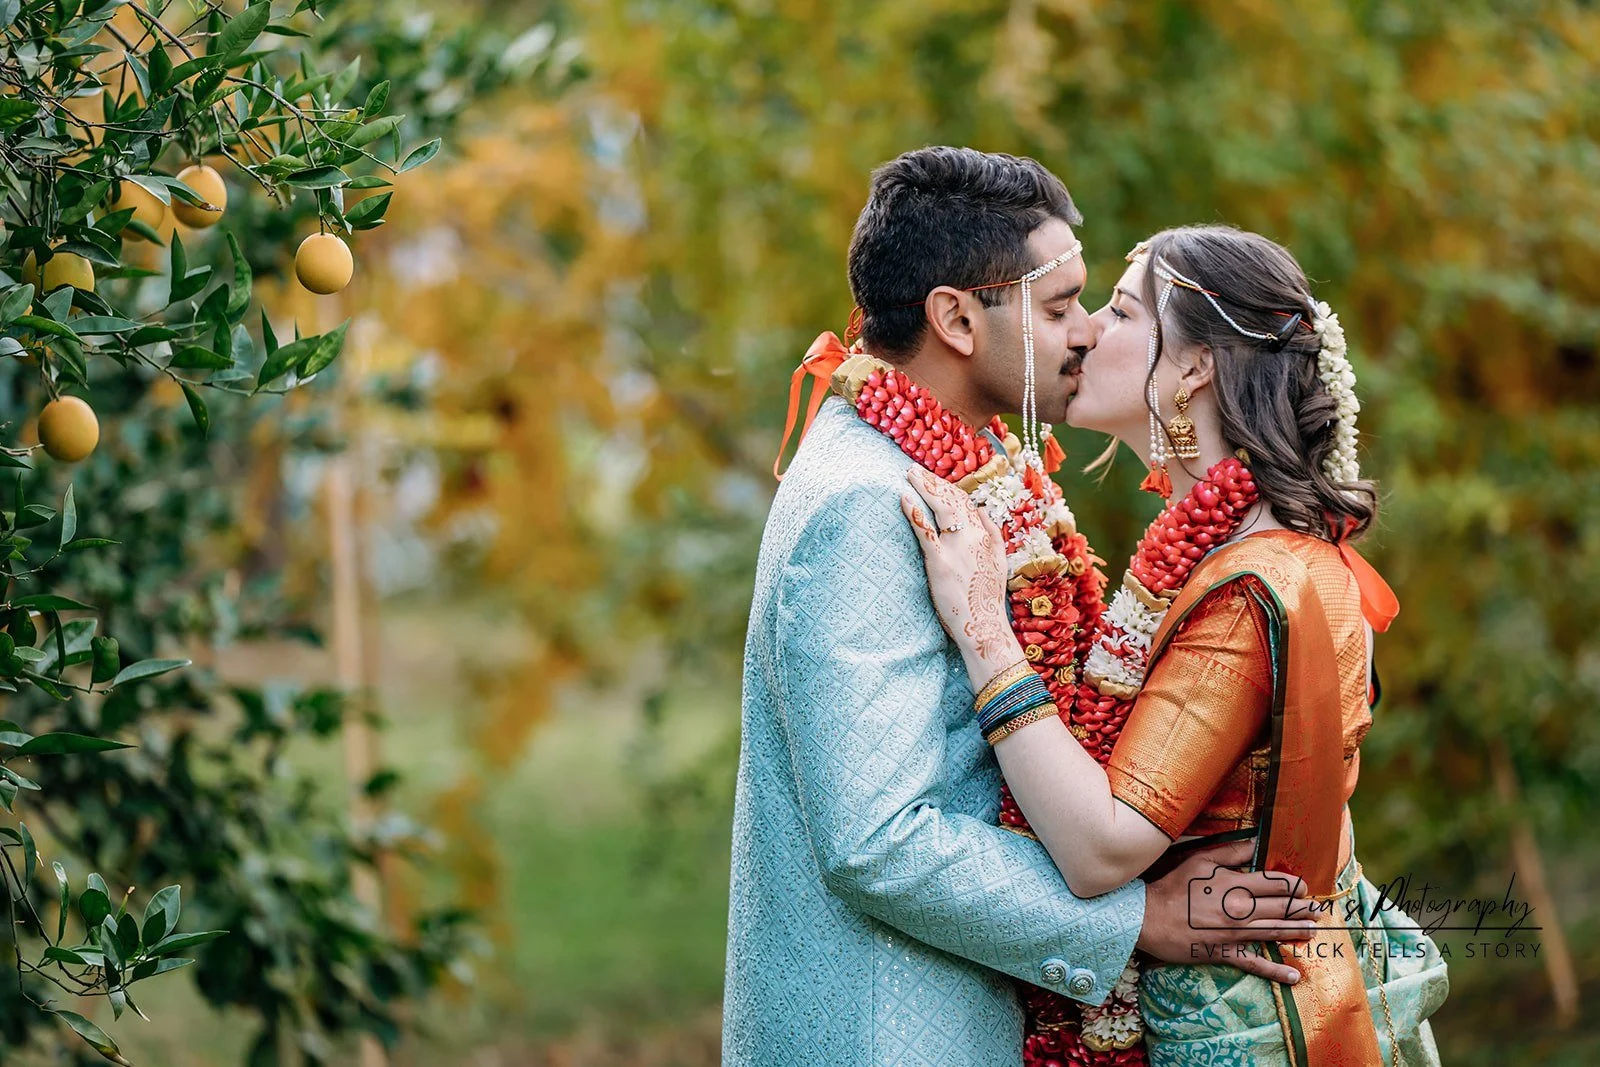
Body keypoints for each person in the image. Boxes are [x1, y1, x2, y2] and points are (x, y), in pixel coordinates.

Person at [725, 150, 1317, 1067]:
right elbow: (876, 839)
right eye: (1059, 307)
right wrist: (1135, 918)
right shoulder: (868, 503)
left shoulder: (963, 471)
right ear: (958, 318)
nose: (1085, 333)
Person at [902, 224, 1449, 1064]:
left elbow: (1102, 846)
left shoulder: (1250, 584)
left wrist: (983, 630)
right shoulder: (1238, 552)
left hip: (1247, 1024)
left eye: (1121, 312)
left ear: (1195, 367)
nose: (1085, 329)